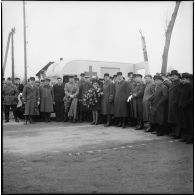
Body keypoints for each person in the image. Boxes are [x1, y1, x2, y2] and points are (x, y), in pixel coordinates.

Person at [178, 73, 193, 144]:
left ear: (188, 79)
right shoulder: (183, 86)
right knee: (183, 123)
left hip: (189, 108)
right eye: (182, 79)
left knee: (189, 123)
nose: (182, 81)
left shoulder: (191, 86)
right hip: (182, 107)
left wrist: (186, 103)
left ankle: (190, 138)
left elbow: (192, 98)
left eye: (184, 79)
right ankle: (185, 137)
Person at [168, 70, 181, 139]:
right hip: (171, 103)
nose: (172, 77)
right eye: (172, 75)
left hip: (176, 104)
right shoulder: (172, 83)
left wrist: (176, 102)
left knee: (177, 119)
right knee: (173, 119)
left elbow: (180, 94)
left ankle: (177, 134)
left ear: (177, 76)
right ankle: (174, 133)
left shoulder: (179, 83)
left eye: (174, 75)